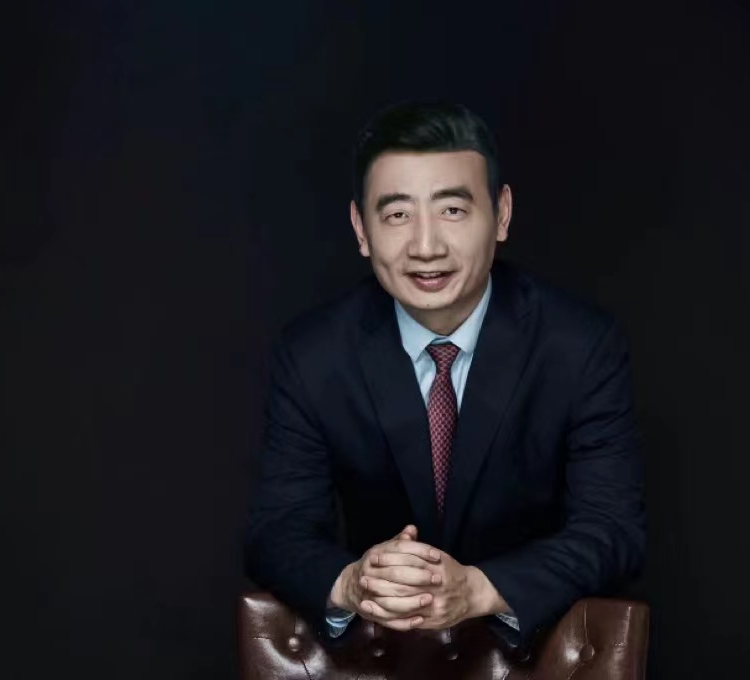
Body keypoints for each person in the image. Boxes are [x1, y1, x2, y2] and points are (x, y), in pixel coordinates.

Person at [244, 101, 645, 648]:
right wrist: (353, 582)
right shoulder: (313, 354)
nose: (426, 247)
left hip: (528, 654)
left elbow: (613, 528)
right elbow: (276, 530)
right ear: (361, 229)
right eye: (397, 215)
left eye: (452, 210)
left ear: (501, 215)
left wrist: (479, 590)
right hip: (378, 650)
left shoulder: (579, 345)